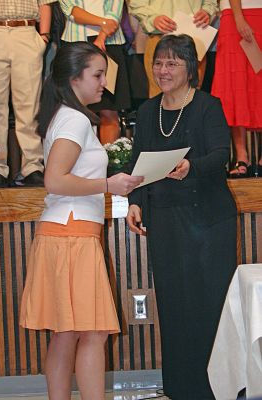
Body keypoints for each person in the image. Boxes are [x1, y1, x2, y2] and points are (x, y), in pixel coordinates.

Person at [19, 42, 143, 400]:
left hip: (65, 233)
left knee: (67, 333)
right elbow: (55, 179)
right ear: (74, 77)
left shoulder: (64, 115)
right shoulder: (74, 119)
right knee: (90, 333)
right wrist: (108, 184)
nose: (104, 82)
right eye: (98, 74)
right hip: (71, 235)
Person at [126, 34, 237, 400]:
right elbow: (137, 165)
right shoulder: (146, 111)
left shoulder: (208, 106)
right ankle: (180, 388)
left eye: (173, 63)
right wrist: (135, 201)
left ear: (192, 68)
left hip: (208, 221)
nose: (163, 70)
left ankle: (215, 389)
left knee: (209, 305)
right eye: (159, 62)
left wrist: (191, 166)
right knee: (174, 305)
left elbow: (223, 155)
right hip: (166, 221)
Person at [0, 0, 55, 188]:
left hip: (27, 30)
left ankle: (32, 167)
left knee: (29, 105)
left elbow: (45, 3)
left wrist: (43, 37)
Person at [59, 0, 131, 144]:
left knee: (109, 110)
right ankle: (81, 161)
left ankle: (108, 162)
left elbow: (114, 13)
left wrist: (101, 38)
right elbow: (70, 10)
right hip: (76, 43)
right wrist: (103, 23)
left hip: (109, 44)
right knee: (76, 110)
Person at [211, 0, 262, 178]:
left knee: (259, 85)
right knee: (235, 84)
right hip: (235, 15)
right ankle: (241, 155)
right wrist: (238, 17)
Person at [128, 0, 218, 97]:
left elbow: (211, 2)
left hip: (195, 36)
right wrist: (153, 19)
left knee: (192, 94)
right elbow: (136, 4)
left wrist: (206, 11)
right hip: (160, 37)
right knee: (160, 95)